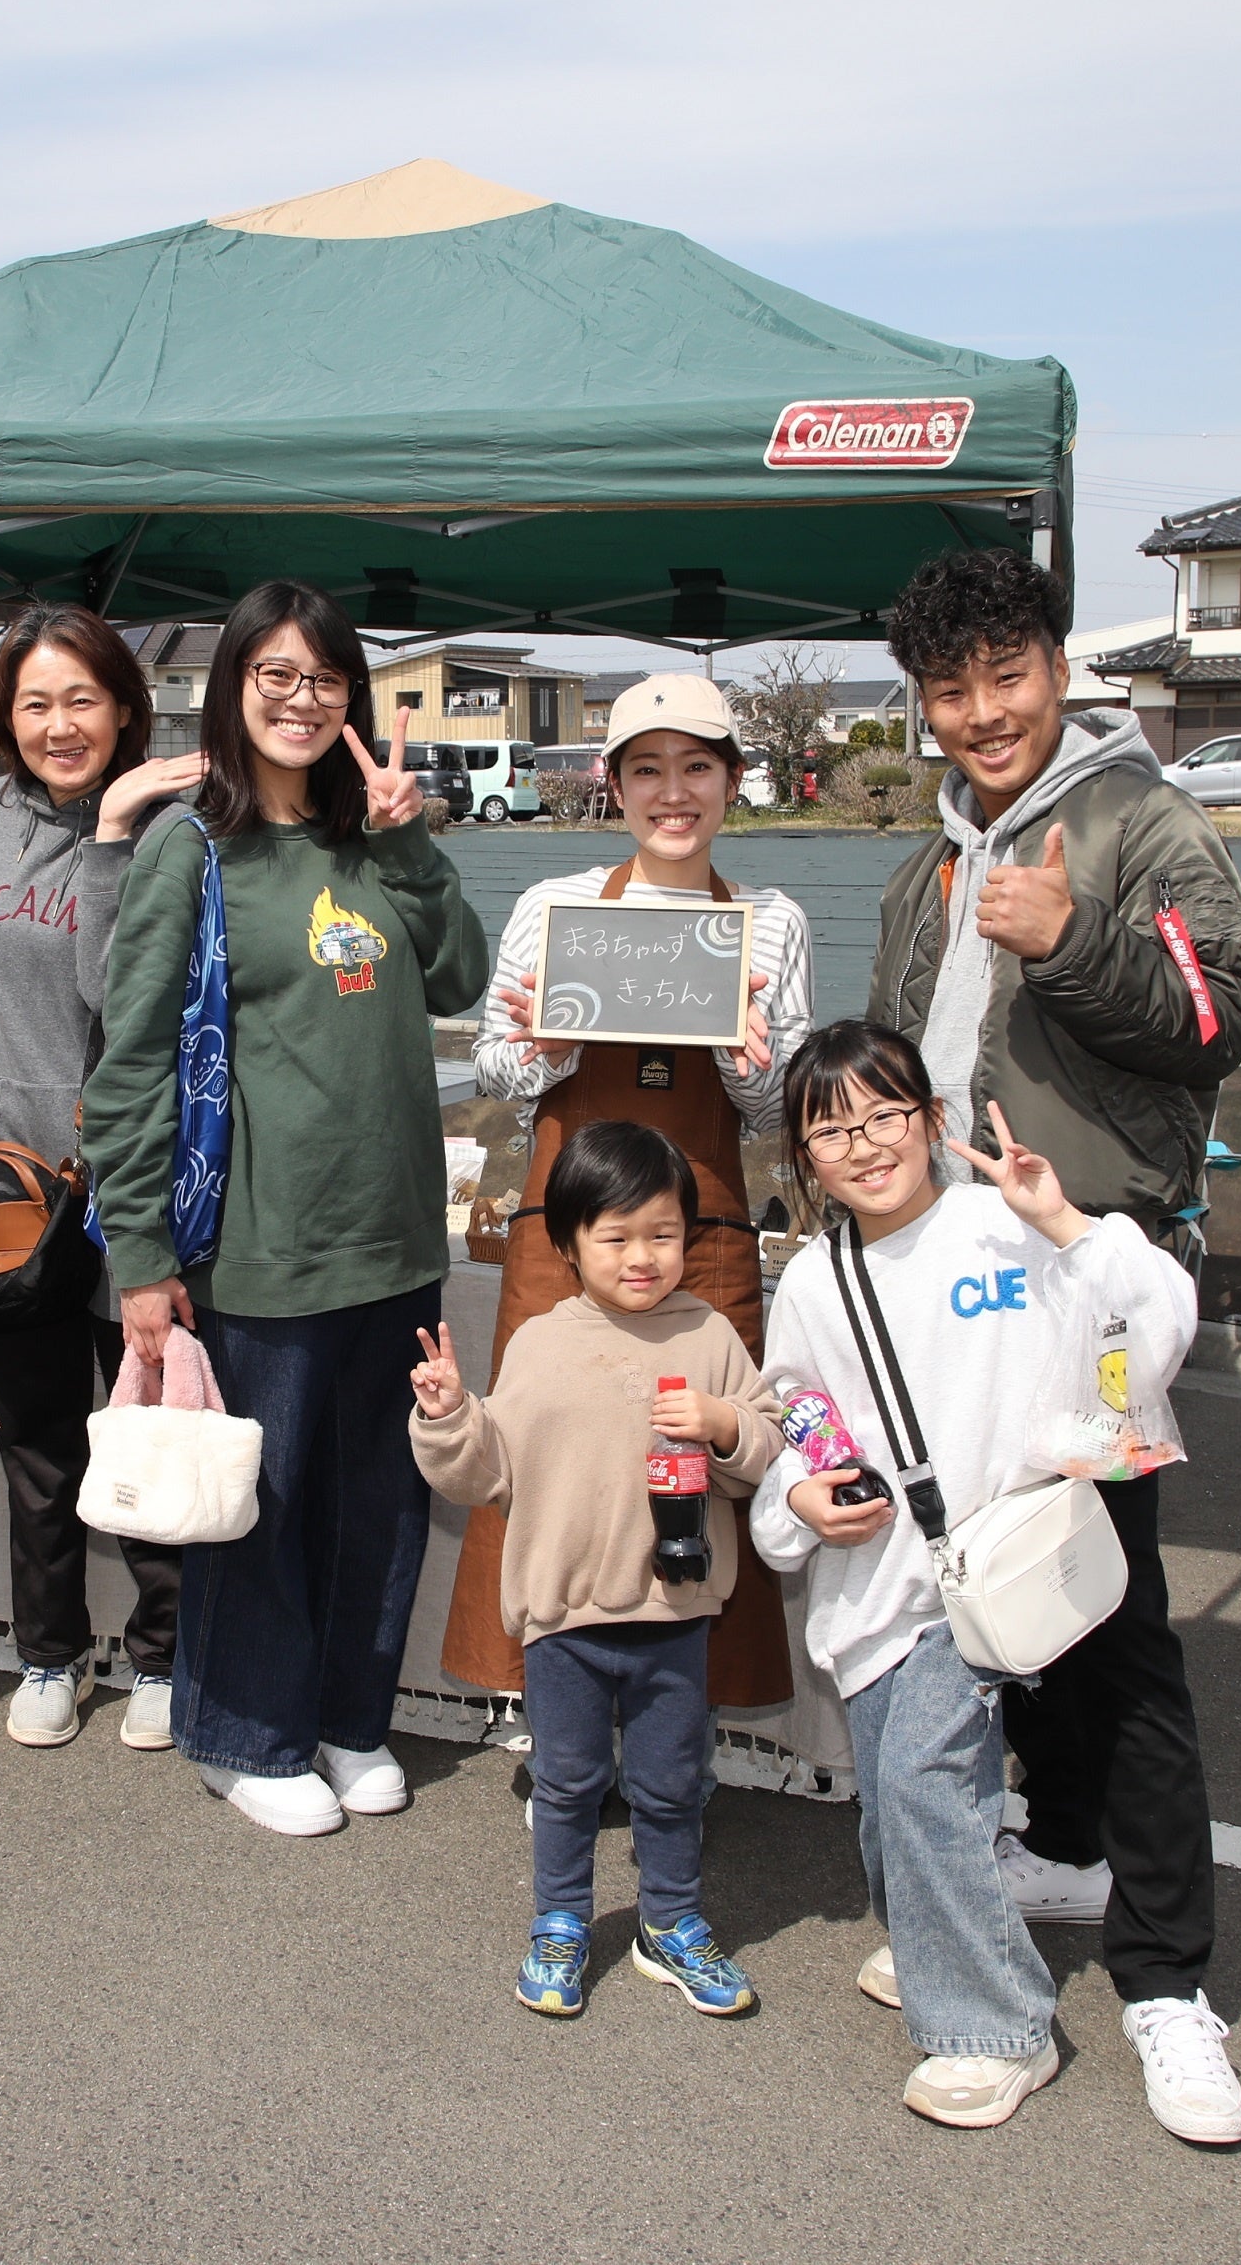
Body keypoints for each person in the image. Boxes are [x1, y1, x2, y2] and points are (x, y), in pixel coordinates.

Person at [863, 549, 1241, 2060]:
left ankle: (1166, 1981)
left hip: (1089, 1284)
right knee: (984, 1587)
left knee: (1112, 1608)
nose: (982, 712)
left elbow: (1220, 1016)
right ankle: (1062, 1836)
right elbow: (896, 1065)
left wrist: (1074, 940)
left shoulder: (1144, 821)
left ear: (1057, 669)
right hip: (953, 1282)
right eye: (949, 688)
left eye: (1006, 675)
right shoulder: (929, 862)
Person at [755, 1021, 1224, 2138]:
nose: (865, 1145)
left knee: (923, 1776)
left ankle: (995, 2025)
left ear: (931, 1116)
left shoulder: (1006, 1223)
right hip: (897, 1576)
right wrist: (801, 1502)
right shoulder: (815, 1278)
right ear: (803, 1157)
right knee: (895, 1799)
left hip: (1022, 1556)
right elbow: (795, 1420)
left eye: (884, 1113)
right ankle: (940, 1924)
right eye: (831, 1130)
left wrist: (1062, 1219)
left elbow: (1158, 1322)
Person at [81, 578, 490, 1838]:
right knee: (261, 1500)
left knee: (381, 1501)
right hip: (261, 1243)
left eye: (324, 678)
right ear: (233, 688)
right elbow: (130, 1057)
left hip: (396, 1235)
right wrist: (139, 1253)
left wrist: (410, 839)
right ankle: (242, 1731)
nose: (301, 699)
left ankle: (349, 1718)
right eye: (276, 674)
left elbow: (461, 977)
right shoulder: (188, 846)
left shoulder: (376, 841)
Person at [442, 667, 811, 1722]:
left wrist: (745, 1055)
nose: (672, 791)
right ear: (614, 784)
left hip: (703, 1233)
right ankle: (539, 1705)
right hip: (565, 1230)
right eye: (646, 769)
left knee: (701, 1452)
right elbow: (495, 1068)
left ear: (732, 780)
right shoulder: (553, 907)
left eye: (697, 766)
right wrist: (543, 1045)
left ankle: (681, 1717)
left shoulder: (770, 921)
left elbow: (772, 1110)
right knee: (539, 1445)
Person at [409, 1119, 779, 2019]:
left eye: (663, 1233)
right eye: (616, 1237)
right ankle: (561, 1921)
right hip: (563, 1620)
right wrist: (450, 1414)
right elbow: (486, 1472)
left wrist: (723, 1423)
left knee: (672, 1783)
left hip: (675, 1611)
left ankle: (671, 1921)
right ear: (570, 1243)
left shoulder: (710, 1335)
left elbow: (765, 1448)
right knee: (566, 1782)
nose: (642, 1257)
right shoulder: (541, 1341)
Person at [0, 607, 206, 1750]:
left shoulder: (171, 825)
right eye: (35, 702)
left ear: (123, 708)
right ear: (4, 714)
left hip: (121, 1174)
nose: (59, 725)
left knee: (143, 1417)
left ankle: (161, 1656)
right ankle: (48, 1652)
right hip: (7, 1176)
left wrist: (108, 833)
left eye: (81, 700)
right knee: (35, 1439)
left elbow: (119, 993)